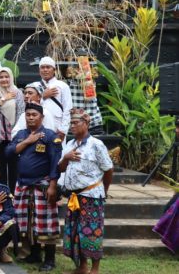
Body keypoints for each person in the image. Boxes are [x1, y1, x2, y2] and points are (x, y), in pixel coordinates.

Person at [6, 103, 62, 271]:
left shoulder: (51, 136)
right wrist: (28, 141)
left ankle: (50, 259)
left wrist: (53, 186)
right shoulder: (21, 134)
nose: (30, 117)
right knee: (28, 223)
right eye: (28, 114)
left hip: (42, 186)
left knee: (45, 224)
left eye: (34, 115)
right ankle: (35, 254)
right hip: (23, 185)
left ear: (42, 117)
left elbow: (55, 164)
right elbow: (8, 153)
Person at [58, 109, 113, 274]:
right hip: (74, 197)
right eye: (71, 123)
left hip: (91, 196)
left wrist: (104, 190)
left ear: (86, 123)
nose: (72, 126)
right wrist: (66, 157)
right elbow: (60, 168)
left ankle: (95, 269)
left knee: (92, 232)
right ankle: (82, 266)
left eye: (76, 123)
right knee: (76, 231)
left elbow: (108, 170)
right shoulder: (70, 144)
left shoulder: (96, 144)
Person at [0, 67, 25, 191]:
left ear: (11, 77)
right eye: (1, 77)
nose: (4, 79)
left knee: (14, 166)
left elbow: (21, 113)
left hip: (12, 135)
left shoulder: (17, 92)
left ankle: (13, 193)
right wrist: (4, 99)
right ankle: (2, 194)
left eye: (6, 76)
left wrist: (18, 133)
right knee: (0, 167)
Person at [38, 56, 72, 141]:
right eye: (42, 67)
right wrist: (43, 96)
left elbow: (68, 108)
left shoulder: (63, 86)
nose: (45, 70)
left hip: (57, 125)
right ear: (39, 70)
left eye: (48, 67)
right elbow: (30, 105)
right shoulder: (34, 86)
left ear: (54, 70)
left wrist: (63, 130)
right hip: (39, 125)